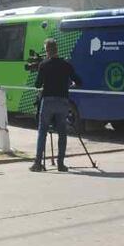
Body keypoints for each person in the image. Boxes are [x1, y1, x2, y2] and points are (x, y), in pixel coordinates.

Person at [31, 38, 82, 173]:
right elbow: (78, 81)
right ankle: (61, 163)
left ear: (47, 50)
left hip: (47, 101)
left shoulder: (44, 64)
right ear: (57, 49)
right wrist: (70, 85)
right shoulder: (66, 65)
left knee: (42, 131)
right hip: (63, 102)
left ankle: (37, 163)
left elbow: (37, 84)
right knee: (62, 133)